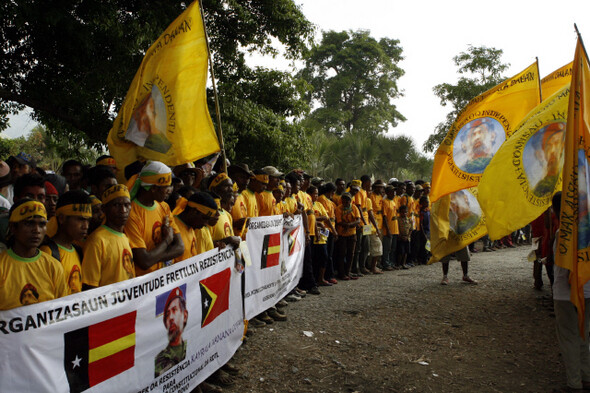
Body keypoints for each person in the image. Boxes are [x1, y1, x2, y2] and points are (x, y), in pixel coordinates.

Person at [551, 191, 590, 392]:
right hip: (588, 290)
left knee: (569, 337)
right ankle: (586, 377)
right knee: (584, 335)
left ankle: (574, 383)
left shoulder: (563, 233)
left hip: (567, 294)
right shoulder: (587, 228)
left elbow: (566, 269)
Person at [0, 198, 67, 310]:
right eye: (29, 223)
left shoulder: (53, 266)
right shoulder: (2, 266)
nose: (36, 230)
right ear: (13, 228)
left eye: (42, 224)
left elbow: (63, 311)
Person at [125, 161, 184, 276]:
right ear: (153, 189)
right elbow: (144, 261)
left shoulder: (164, 207)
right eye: (166, 186)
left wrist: (153, 257)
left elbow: (180, 248)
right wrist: (167, 241)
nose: (169, 190)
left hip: (162, 279)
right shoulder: (131, 213)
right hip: (144, 284)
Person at [82, 184, 135, 289]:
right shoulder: (97, 240)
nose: (123, 210)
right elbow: (90, 286)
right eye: (116, 205)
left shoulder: (124, 236)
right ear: (104, 209)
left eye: (127, 205)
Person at [40, 190, 91, 295]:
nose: (85, 226)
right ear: (62, 218)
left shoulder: (78, 250)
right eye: (80, 219)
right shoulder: (48, 252)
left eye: (87, 220)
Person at [155, 287, 188, 377]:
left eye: (174, 310)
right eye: (167, 314)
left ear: (185, 316)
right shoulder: (160, 360)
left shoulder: (190, 343)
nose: (171, 318)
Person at [532, 122, 566, 197]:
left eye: (557, 143)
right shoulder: (538, 188)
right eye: (549, 145)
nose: (553, 150)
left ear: (563, 146)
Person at [335, 192, 360, 280]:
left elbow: (358, 220)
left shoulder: (354, 207)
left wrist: (348, 225)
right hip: (342, 234)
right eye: (343, 202)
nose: (345, 204)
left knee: (351, 254)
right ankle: (341, 273)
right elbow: (339, 221)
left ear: (350, 201)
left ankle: (348, 272)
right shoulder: (338, 209)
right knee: (342, 254)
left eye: (346, 202)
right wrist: (350, 224)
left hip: (352, 234)